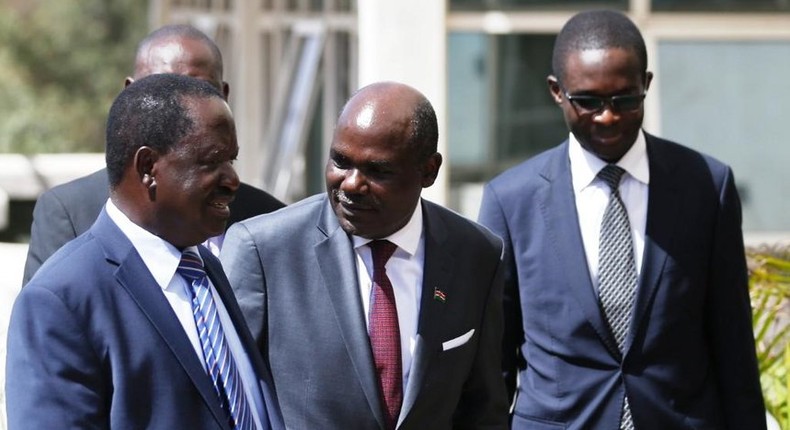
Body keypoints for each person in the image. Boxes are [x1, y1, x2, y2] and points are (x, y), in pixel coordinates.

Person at [477, 9, 765, 429]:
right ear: (557, 92)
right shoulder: (510, 200)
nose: (608, 116)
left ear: (646, 85)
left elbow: (732, 344)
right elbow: (492, 362)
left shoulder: (706, 187)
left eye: (625, 99)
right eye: (588, 101)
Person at [220, 81, 509, 429]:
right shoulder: (265, 250)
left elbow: (483, 408)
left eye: (377, 170)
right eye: (340, 161)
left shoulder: (475, 254)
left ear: (429, 171)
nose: (352, 183)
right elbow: (228, 401)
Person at [6, 73, 285, 429]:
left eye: (231, 160)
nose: (232, 180)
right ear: (148, 167)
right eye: (212, 162)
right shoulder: (61, 301)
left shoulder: (203, 266)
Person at [22, 24, 284, 286]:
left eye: (200, 89)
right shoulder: (71, 212)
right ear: (129, 93)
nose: (184, 109)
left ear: (224, 96)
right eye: (161, 90)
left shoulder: (269, 220)